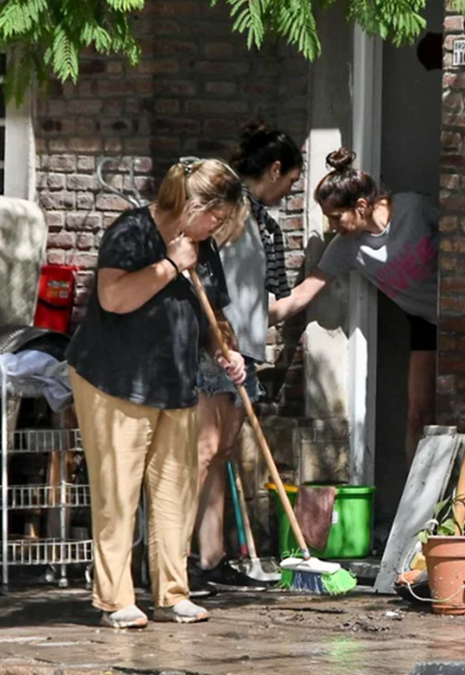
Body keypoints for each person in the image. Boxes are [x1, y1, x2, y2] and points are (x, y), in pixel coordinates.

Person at [65, 159, 248, 628]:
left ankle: (171, 593)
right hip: (114, 379)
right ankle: (115, 599)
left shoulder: (204, 247)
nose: (219, 227)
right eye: (216, 216)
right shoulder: (131, 232)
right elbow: (113, 298)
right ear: (192, 205)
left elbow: (213, 315)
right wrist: (170, 265)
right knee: (118, 491)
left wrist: (225, 349)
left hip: (174, 380)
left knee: (174, 493)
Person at [269, 148, 439, 464]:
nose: (332, 226)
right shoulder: (347, 247)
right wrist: (249, 322)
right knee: (419, 414)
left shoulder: (415, 208)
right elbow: (302, 294)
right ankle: (415, 506)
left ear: (361, 206)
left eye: (336, 217)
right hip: (425, 323)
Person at [191, 121, 303, 591]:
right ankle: (175, 562)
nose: (290, 190)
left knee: (219, 454)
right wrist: (216, 340)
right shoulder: (227, 208)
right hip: (215, 346)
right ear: (274, 169)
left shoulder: (265, 224)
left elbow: (269, 300)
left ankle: (210, 558)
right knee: (203, 452)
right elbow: (202, 280)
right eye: (291, 181)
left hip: (243, 351)